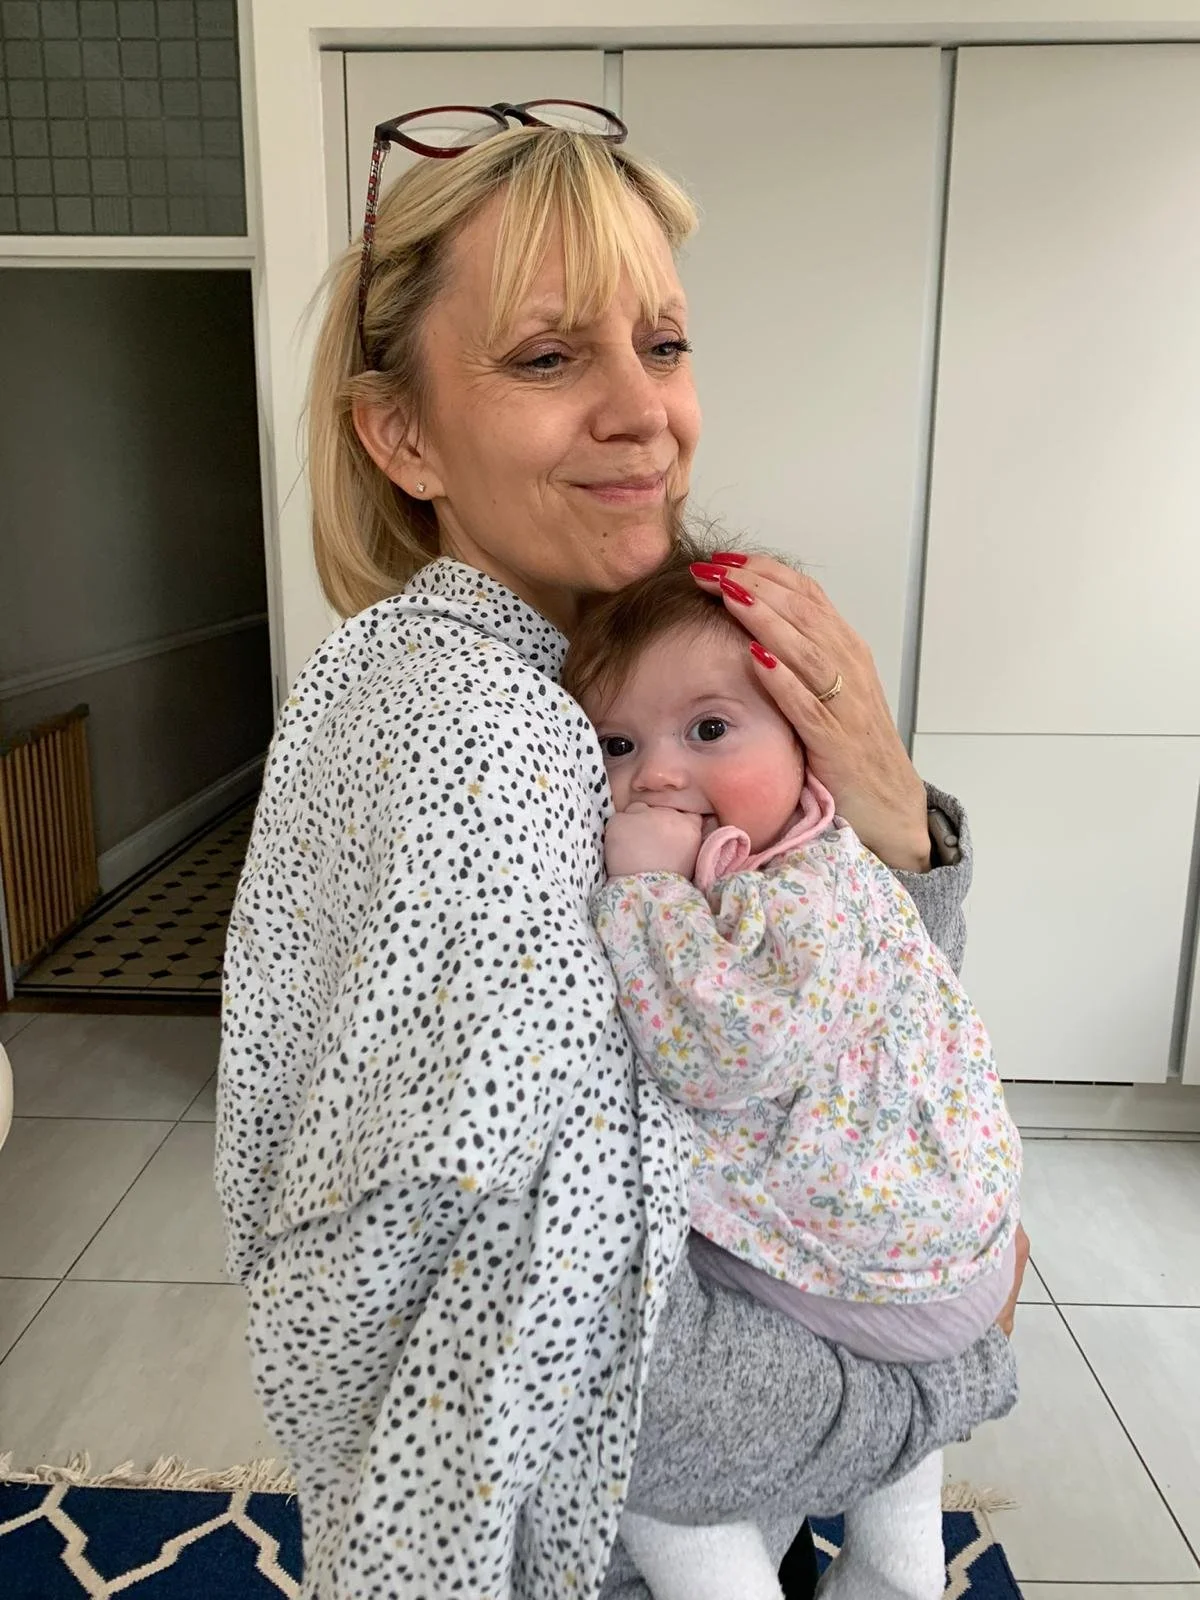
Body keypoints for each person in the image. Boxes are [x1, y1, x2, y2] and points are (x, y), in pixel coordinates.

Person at [216, 103, 1021, 1600]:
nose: (646, 412)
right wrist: (948, 1374)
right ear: (400, 434)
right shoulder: (493, 736)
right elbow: (598, 1351)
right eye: (545, 356)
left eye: (661, 343)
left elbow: (826, 1056)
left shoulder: (576, 672)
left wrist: (890, 807)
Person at [560, 547, 1023, 1600]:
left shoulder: (804, 884)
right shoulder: (790, 854)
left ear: (808, 746)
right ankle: (895, 1567)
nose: (658, 773)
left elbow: (723, 1050)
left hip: (873, 1272)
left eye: (710, 729)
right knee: (876, 1460)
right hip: (934, 1254)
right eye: (618, 743)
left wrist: (642, 894)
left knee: (660, 1482)